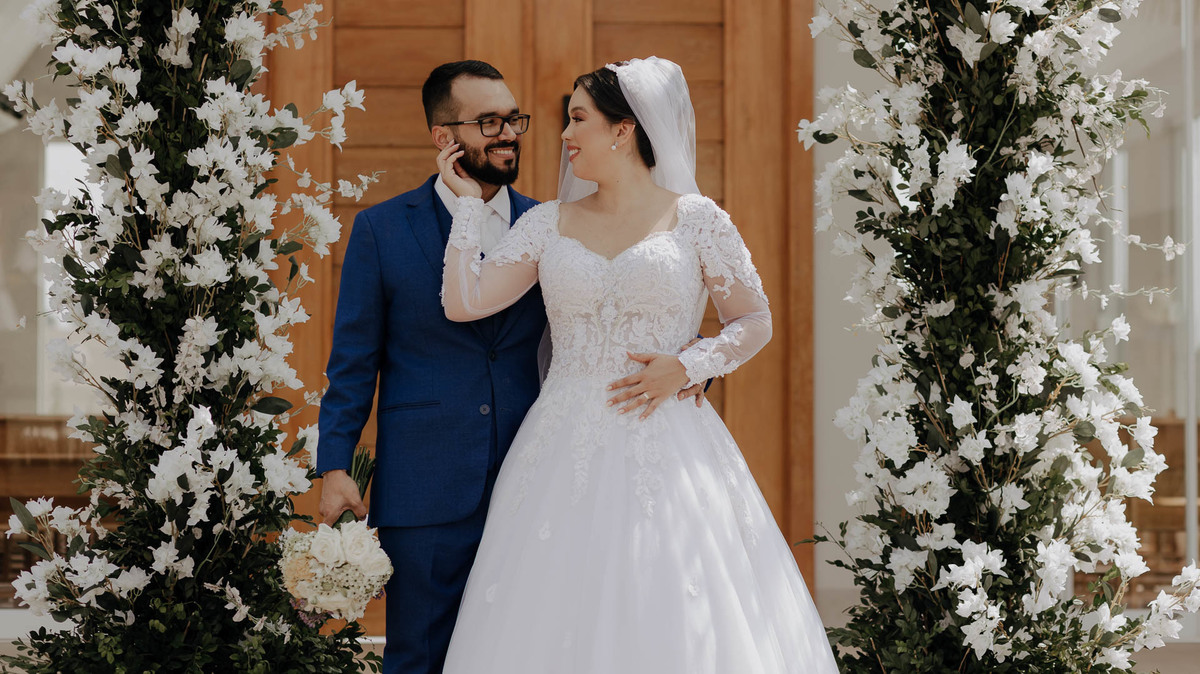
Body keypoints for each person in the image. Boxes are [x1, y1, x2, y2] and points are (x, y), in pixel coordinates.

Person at [435, 57, 839, 673]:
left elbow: (756, 321)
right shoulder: (547, 222)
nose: (563, 136)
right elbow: (465, 302)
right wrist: (467, 206)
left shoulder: (697, 219)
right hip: (562, 443)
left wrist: (688, 364)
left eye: (577, 119)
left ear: (623, 129)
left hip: (670, 439)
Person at [315, 60, 703, 674]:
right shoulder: (382, 230)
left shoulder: (557, 221)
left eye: (514, 120)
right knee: (417, 655)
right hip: (426, 485)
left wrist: (689, 364)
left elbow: (633, 304)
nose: (509, 134)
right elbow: (354, 363)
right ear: (444, 137)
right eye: (489, 122)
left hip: (542, 482)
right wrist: (336, 464)